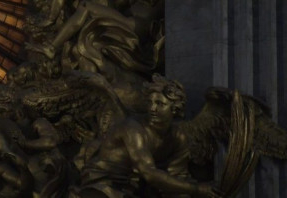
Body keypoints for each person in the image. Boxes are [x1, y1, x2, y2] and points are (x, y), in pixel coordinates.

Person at [74, 76, 221, 197]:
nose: (152, 108)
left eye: (159, 103)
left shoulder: (179, 137)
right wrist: (197, 189)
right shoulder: (133, 129)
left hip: (136, 187)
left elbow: (177, 175)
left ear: (174, 109)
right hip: (104, 184)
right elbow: (148, 172)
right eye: (150, 102)